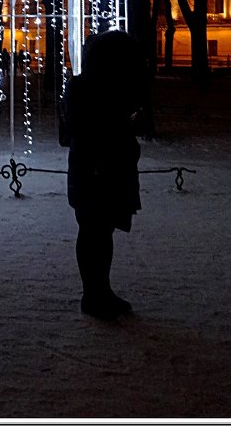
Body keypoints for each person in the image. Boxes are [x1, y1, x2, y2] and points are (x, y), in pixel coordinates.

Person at [60, 29, 147, 320]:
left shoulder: (100, 88)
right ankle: (94, 294)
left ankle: (101, 290)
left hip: (103, 172)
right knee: (93, 233)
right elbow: (82, 129)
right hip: (95, 173)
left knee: (101, 233)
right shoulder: (87, 89)